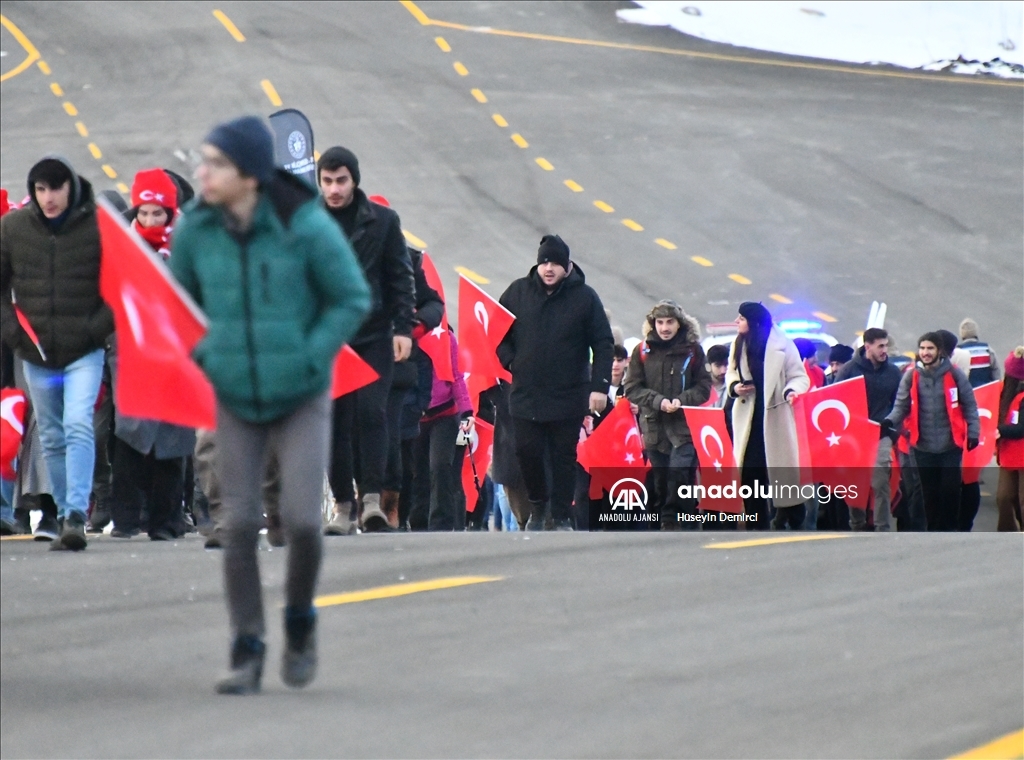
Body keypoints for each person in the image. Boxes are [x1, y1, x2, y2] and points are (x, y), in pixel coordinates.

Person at [170, 116, 371, 694]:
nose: (202, 173)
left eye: (216, 164)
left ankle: (300, 620)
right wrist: (206, 354)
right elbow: (176, 306)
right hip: (235, 394)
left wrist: (313, 356)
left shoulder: (302, 223)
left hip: (302, 392)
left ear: (250, 176)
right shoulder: (195, 230)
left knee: (305, 523)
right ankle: (248, 644)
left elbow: (350, 296)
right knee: (238, 527)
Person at [0, 156, 114, 551]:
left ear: (71, 187)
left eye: (56, 188)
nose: (48, 198)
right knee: (50, 434)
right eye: (40, 189)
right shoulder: (13, 228)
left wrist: (96, 329)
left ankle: (77, 513)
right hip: (36, 350)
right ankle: (66, 513)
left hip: (84, 347)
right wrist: (14, 333)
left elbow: (120, 285)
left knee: (78, 422)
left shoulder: (99, 225)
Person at [317, 147, 415, 534]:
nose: (334, 189)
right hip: (329, 339)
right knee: (335, 422)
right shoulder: (309, 222)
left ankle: (371, 499)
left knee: (372, 414)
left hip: (374, 335)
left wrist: (404, 328)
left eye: (341, 180)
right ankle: (343, 506)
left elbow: (400, 278)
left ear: (354, 179)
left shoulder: (383, 221)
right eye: (327, 181)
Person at [497, 234, 614, 531]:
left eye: (555, 263)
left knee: (563, 457)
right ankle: (538, 508)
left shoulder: (585, 297)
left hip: (568, 394)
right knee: (527, 451)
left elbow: (603, 342)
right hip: (525, 394)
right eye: (544, 262)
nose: (549, 268)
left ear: (567, 266)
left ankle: (560, 515)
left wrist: (599, 386)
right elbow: (496, 332)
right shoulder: (517, 292)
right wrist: (510, 360)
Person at [625, 301, 711, 530]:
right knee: (661, 480)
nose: (664, 328)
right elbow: (632, 387)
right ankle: (664, 523)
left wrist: (681, 401)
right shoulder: (642, 351)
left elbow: (704, 387)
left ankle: (676, 522)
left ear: (679, 323)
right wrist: (657, 401)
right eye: (660, 322)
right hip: (654, 427)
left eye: (669, 322)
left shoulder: (693, 350)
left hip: (684, 427)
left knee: (680, 474)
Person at [883, 332, 980, 531]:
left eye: (930, 349)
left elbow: (970, 405)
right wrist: (888, 422)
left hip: (950, 445)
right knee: (929, 495)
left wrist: (973, 433)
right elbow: (900, 406)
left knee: (951, 491)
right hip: (922, 447)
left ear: (940, 351)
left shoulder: (954, 374)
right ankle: (934, 534)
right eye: (923, 348)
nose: (926, 353)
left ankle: (950, 530)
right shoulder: (911, 376)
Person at [725, 302, 810, 530]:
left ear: (753, 322)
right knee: (750, 472)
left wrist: (791, 391)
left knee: (781, 471)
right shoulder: (739, 344)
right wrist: (735, 386)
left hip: (776, 413)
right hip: (749, 416)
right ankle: (756, 522)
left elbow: (799, 376)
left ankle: (793, 518)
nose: (736, 322)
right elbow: (731, 372)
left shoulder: (782, 344)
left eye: (741, 318)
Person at [835, 327, 903, 531]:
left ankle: (882, 528)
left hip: (881, 435)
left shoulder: (893, 372)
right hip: (854, 437)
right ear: (867, 347)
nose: (885, 350)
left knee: (880, 480)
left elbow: (899, 404)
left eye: (886, 345)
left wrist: (891, 431)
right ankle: (857, 524)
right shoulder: (848, 370)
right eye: (880, 346)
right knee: (855, 484)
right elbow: (836, 401)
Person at [410, 329, 473, 531]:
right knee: (417, 472)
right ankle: (417, 521)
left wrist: (467, 411)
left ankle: (441, 524)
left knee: (440, 466)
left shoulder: (446, 338)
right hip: (415, 415)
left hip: (445, 415)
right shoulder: (405, 335)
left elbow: (456, 376)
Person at [995, 347, 1024, 531]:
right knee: (1003, 497)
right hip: (1009, 455)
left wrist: (1000, 430)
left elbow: (1021, 429)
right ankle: (1007, 535)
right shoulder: (1003, 395)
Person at [958, 318, 1000, 387]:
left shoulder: (958, 352)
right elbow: (996, 370)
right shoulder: (987, 349)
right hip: (986, 392)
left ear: (962, 333)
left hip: (966, 394)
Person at [705, 344, 729, 408]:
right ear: (709, 366)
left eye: (726, 365)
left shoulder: (732, 387)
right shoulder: (701, 388)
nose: (723, 371)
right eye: (718, 366)